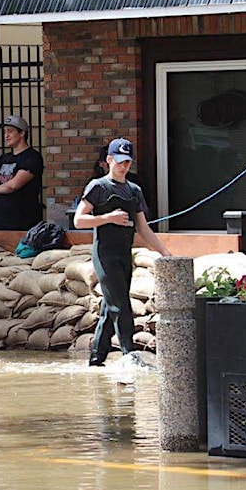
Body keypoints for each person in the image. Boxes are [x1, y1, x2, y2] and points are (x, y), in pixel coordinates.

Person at [74, 138, 172, 367]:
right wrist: (107, 218)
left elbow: (143, 228)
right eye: (119, 161)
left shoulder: (134, 190)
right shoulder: (97, 186)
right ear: (108, 160)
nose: (123, 166)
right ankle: (131, 356)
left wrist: (164, 252)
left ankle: (96, 360)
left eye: (127, 162)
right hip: (105, 255)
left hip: (124, 255)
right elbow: (79, 220)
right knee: (121, 305)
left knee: (110, 307)